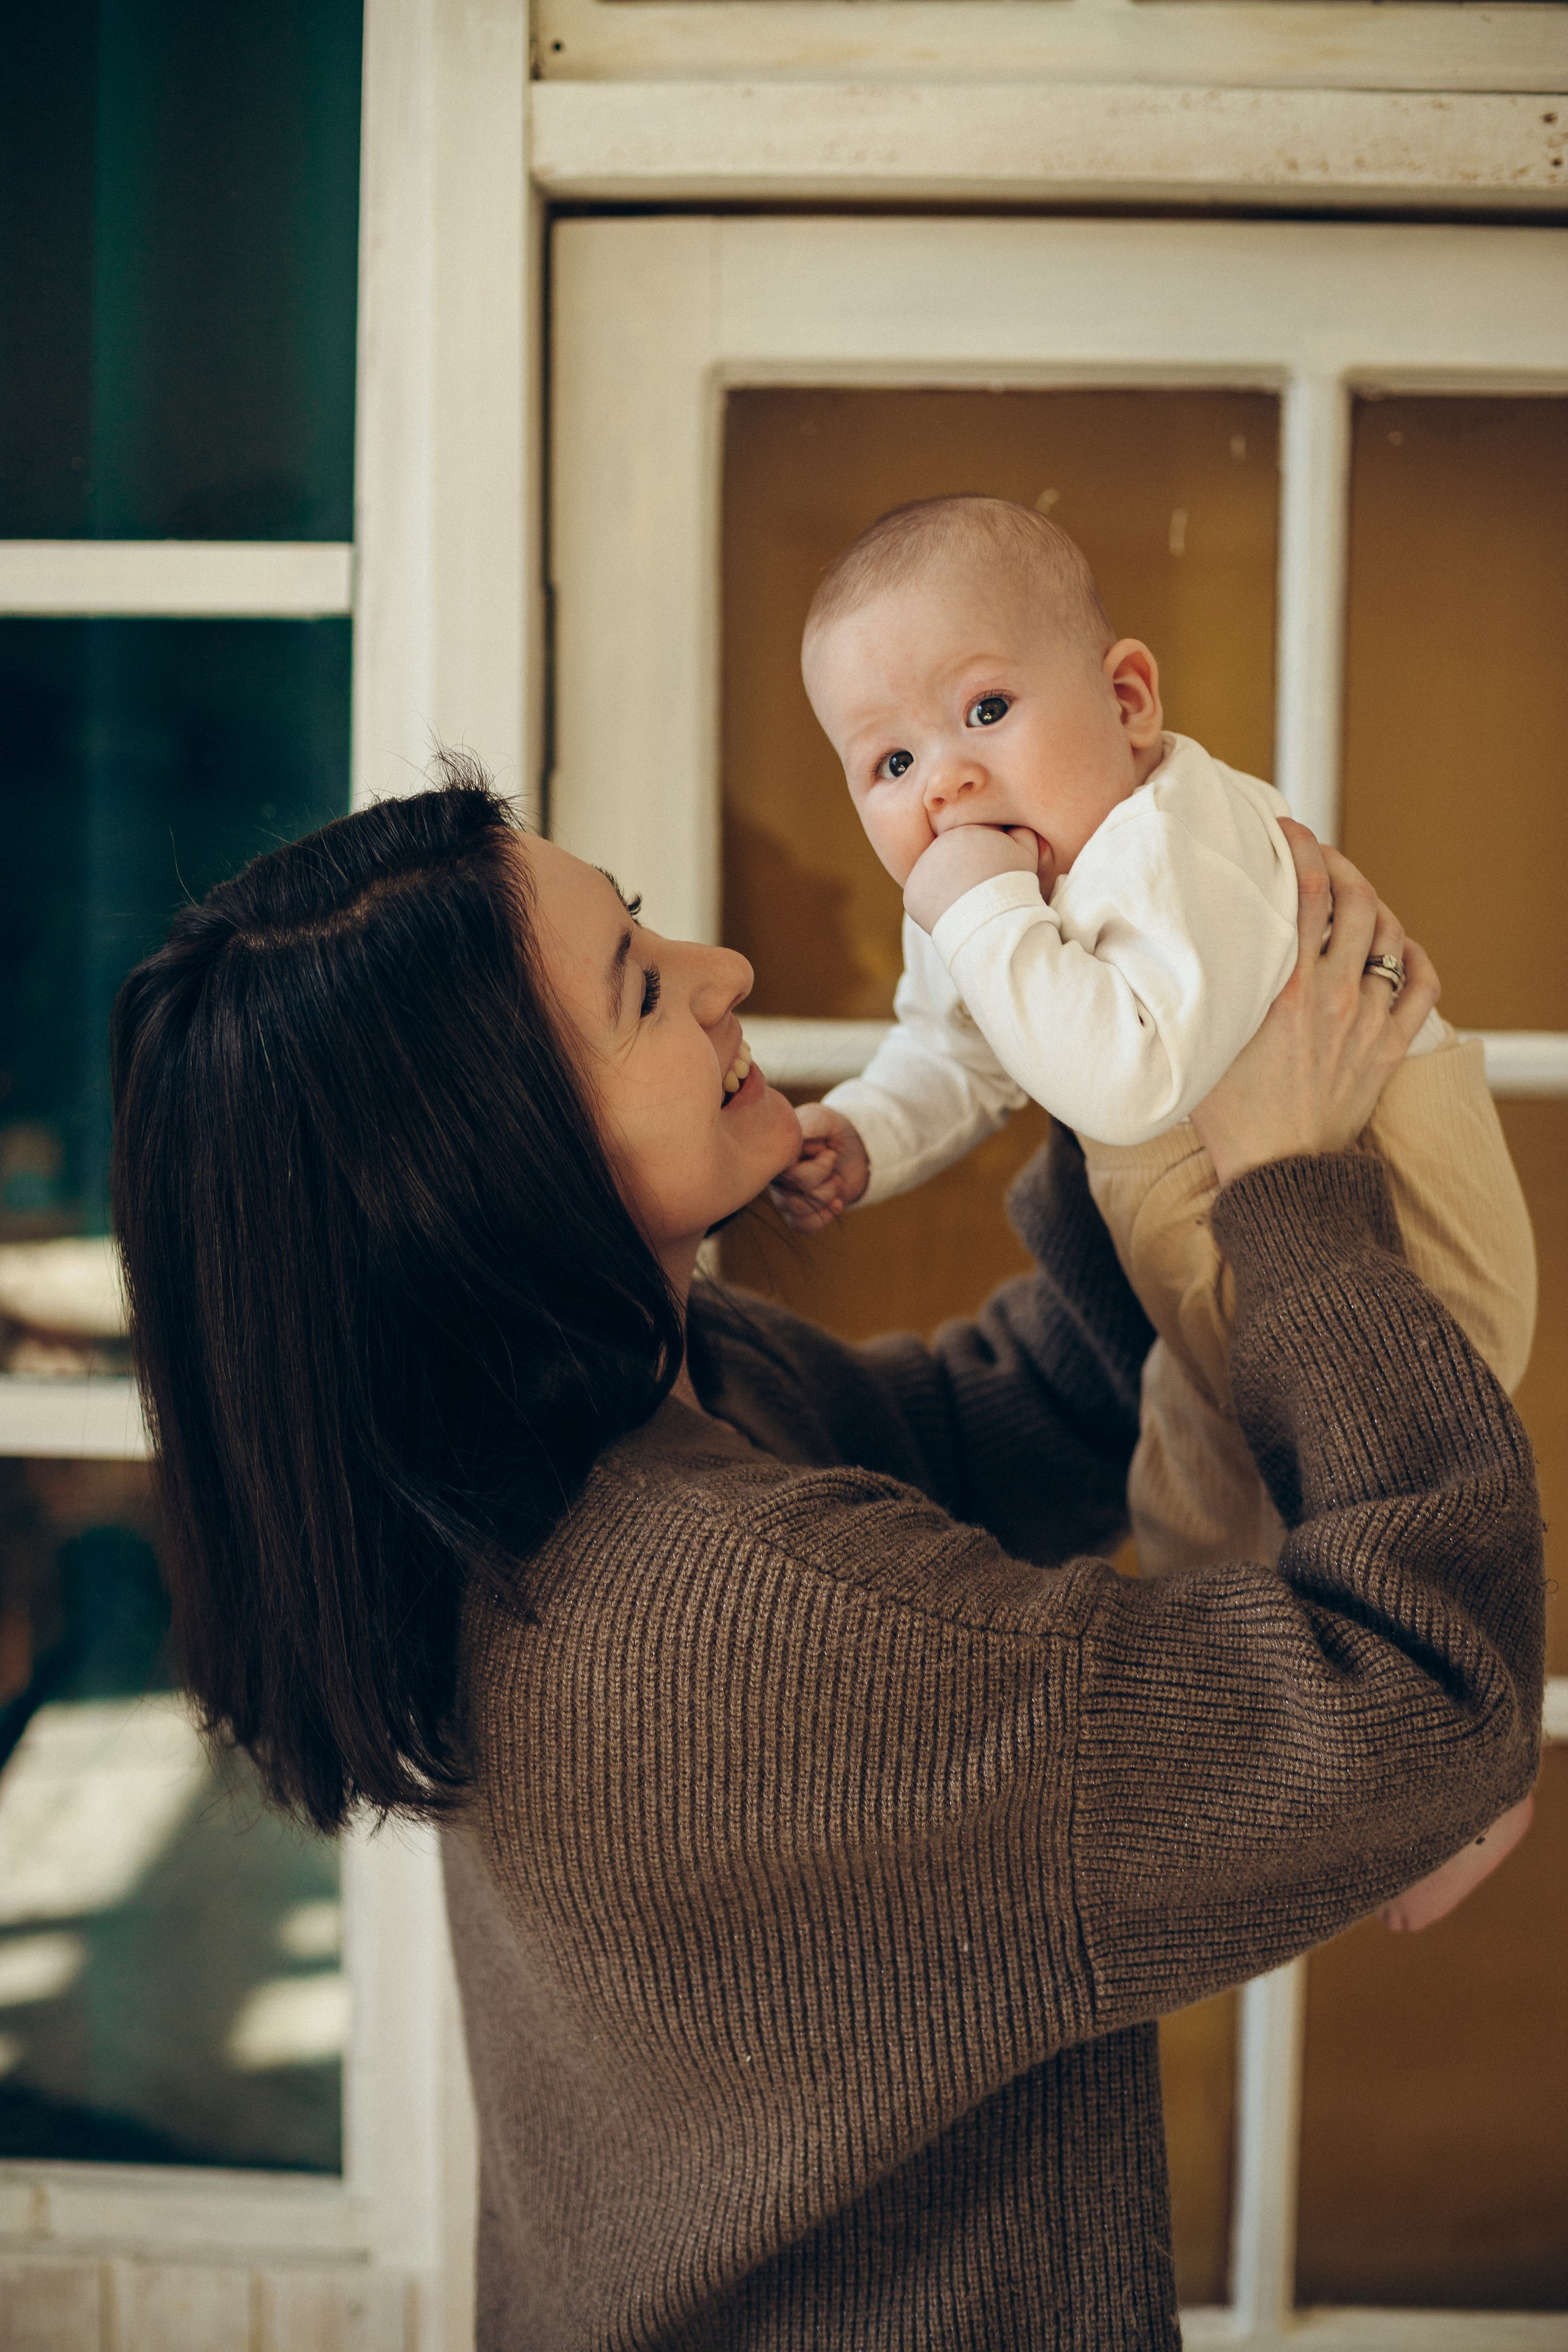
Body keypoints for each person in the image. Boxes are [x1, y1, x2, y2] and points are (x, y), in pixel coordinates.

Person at [110, 767, 1544, 2351]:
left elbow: (1035, 1409)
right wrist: (1286, 1193)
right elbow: (1429, 1696)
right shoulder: (752, 1627)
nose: (722, 972)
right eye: (640, 988)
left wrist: (1139, 1065)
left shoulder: (593, 1416)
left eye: (643, 923)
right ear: (487, 1169)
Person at [774, 494, 1537, 1931]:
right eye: (889, 762)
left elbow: (1122, 1077)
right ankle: (1356, 1815)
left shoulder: (1167, 836)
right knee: (1189, 1533)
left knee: (1411, 1487)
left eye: (983, 710)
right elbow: (958, 1052)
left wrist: (982, 916)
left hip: (1388, 1232)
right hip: (1213, 1271)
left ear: (1126, 701)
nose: (945, 782)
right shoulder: (988, 889)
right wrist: (865, 1132)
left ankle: (1472, 1768)